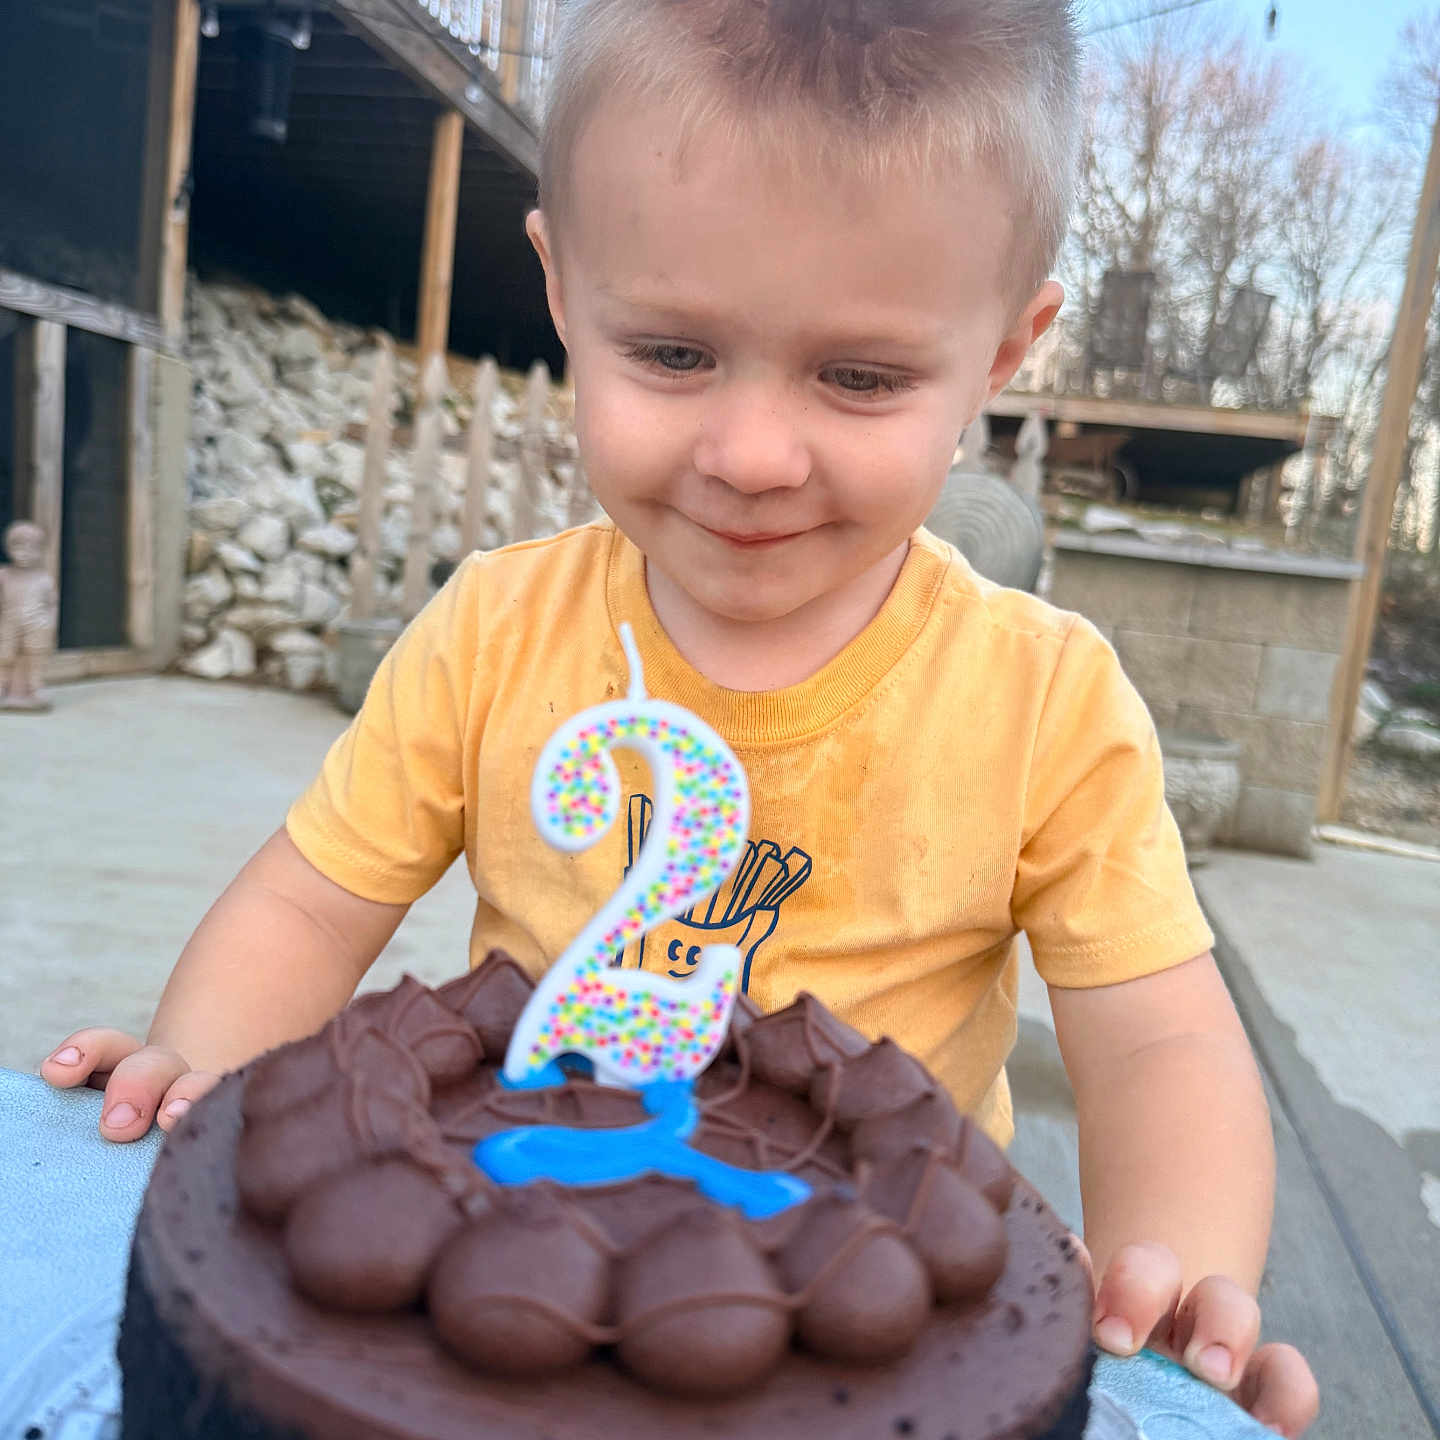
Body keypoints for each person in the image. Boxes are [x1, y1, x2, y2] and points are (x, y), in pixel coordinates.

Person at [42, 0, 1317, 1431]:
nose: (754, 455)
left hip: (874, 1338)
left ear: (1006, 350)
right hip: (500, 1277)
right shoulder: (495, 631)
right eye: (672, 354)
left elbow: (1159, 1042)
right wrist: (205, 1085)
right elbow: (306, 904)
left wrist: (1179, 1281)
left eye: (860, 377)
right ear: (566, 290)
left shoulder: (1044, 700)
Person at [0, 519, 59, 711]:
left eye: (32, 548)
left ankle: (35, 688)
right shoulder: (4, 575)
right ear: (8, 548)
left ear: (41, 551)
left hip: (36, 624)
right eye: (18, 547)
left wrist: (49, 625)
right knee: (4, 656)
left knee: (35, 657)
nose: (24, 553)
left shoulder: (44, 578)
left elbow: (51, 604)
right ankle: (3, 687)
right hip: (8, 621)